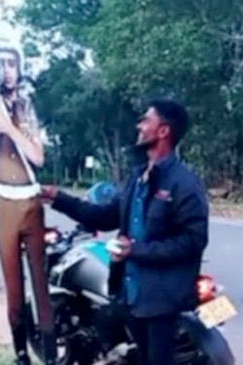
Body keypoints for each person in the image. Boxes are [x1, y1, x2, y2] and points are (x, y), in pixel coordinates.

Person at [42, 100, 209, 365]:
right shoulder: (138, 178)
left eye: (146, 120)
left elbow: (193, 241)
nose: (139, 126)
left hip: (162, 301)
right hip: (132, 296)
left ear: (163, 131)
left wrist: (137, 250)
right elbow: (105, 217)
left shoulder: (185, 184)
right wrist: (58, 198)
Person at [0, 27, 56, 365]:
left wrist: (11, 127)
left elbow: (38, 156)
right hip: (4, 204)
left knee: (41, 286)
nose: (7, 69)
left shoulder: (26, 106)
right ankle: (21, 355)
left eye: (12, 63)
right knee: (14, 291)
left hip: (30, 202)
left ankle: (49, 355)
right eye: (1, 62)